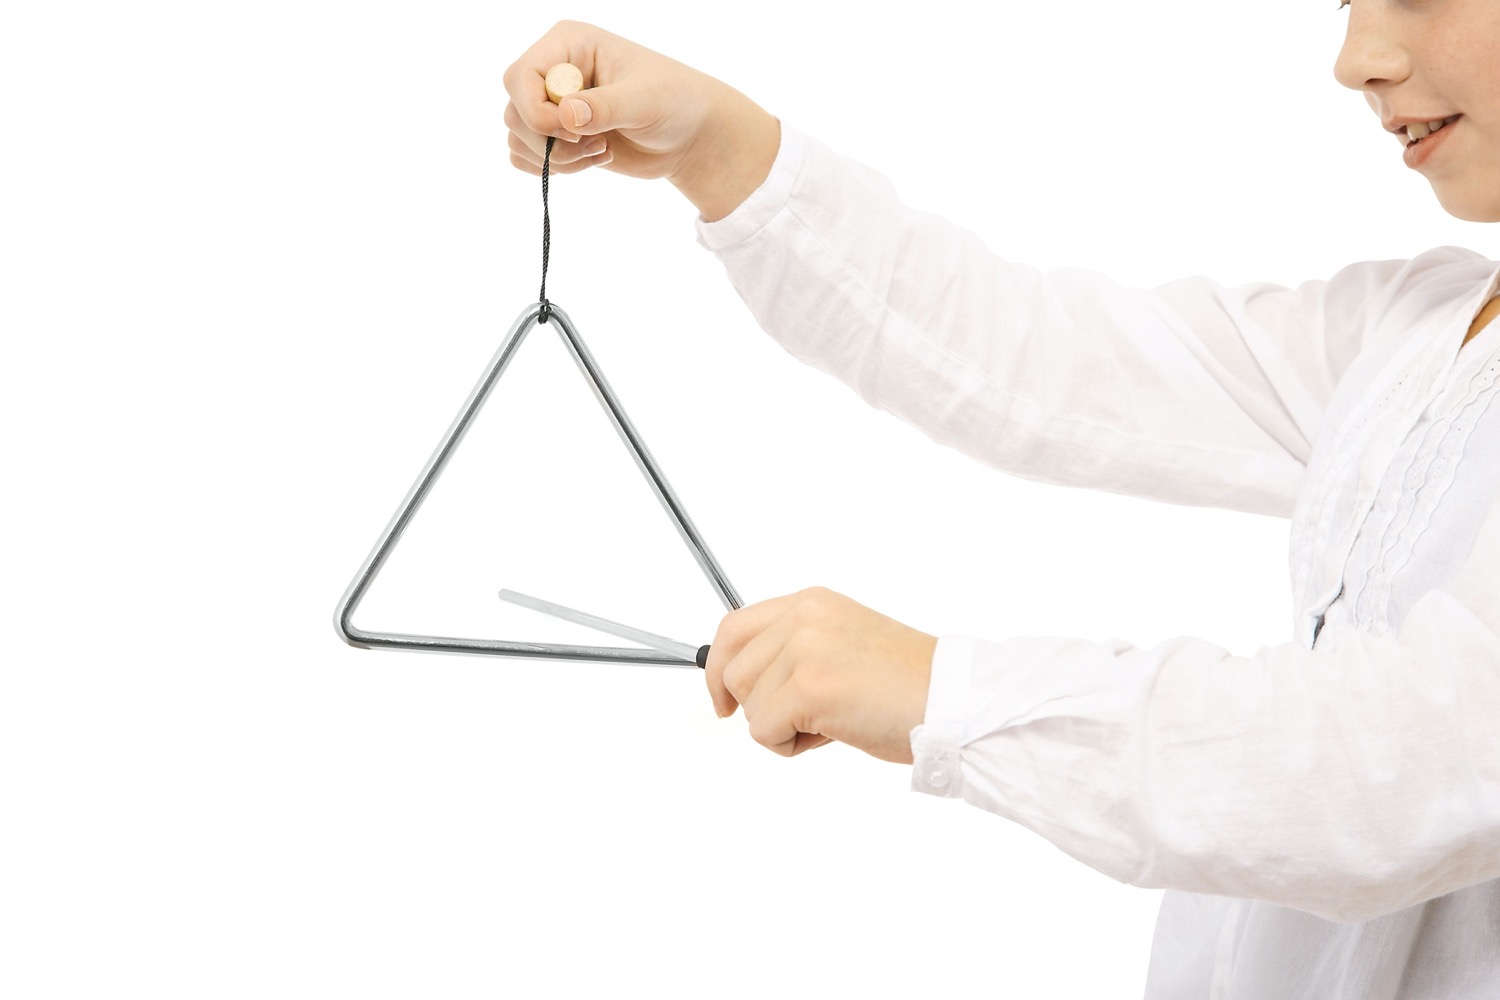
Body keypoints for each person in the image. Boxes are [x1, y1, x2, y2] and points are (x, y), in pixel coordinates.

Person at [504, 9, 1500, 998]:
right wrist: (719, 146)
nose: (1354, 61)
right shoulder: (1422, 325)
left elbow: (1400, 764)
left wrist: (943, 692)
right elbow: (1049, 365)